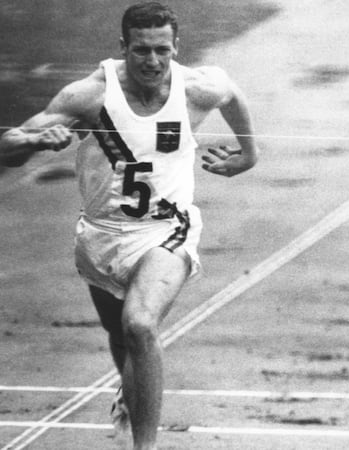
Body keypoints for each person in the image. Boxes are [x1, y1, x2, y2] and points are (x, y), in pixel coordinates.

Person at [0, 2, 259, 449]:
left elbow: (232, 94)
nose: (153, 62)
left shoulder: (197, 86)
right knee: (120, 337)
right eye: (142, 51)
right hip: (101, 236)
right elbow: (9, 144)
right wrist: (35, 140)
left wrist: (248, 155)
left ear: (176, 47)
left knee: (140, 325)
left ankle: (145, 446)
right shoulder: (88, 95)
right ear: (123, 47)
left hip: (167, 231)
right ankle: (129, 393)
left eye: (162, 50)